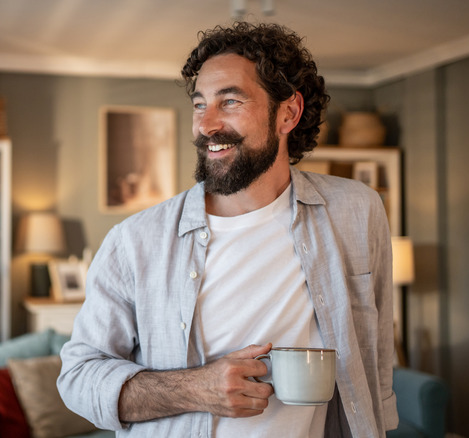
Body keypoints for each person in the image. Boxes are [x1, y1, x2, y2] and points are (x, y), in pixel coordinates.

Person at [58, 21, 398, 437]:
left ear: (288, 112)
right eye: (200, 104)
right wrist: (196, 389)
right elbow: (78, 378)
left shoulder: (355, 212)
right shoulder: (134, 242)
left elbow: (376, 356)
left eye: (230, 101)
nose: (207, 124)